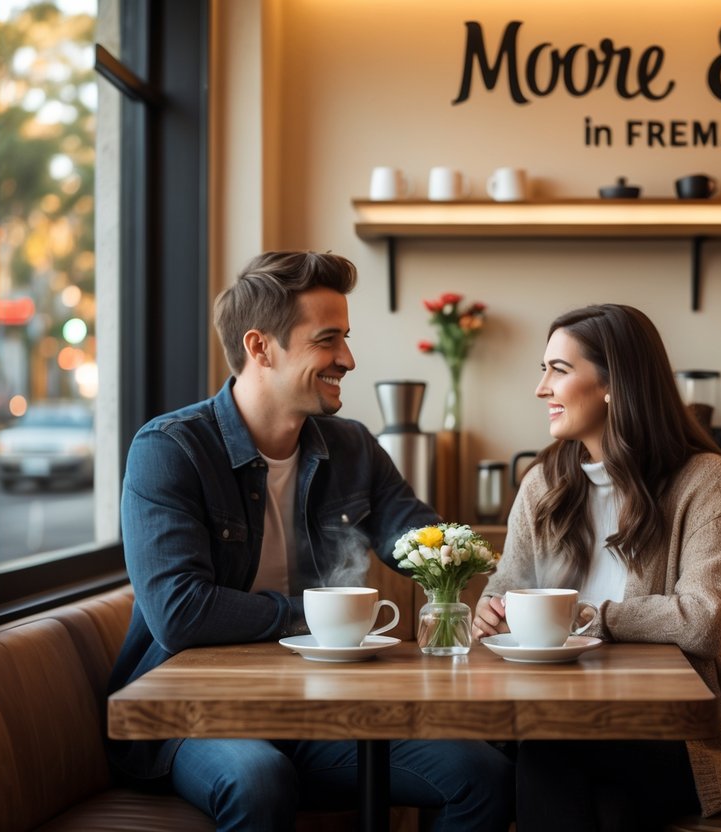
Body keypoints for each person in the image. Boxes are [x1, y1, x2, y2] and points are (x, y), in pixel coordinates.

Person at [106, 251, 513, 831]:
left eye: (345, 338)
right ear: (260, 347)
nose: (347, 358)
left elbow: (421, 539)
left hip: (319, 710)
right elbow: (179, 613)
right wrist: (317, 616)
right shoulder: (171, 449)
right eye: (328, 341)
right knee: (258, 780)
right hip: (196, 718)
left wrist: (512, 542)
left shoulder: (351, 446)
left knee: (482, 774)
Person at [473, 303, 721, 829]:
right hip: (561, 717)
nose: (542, 388)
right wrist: (490, 609)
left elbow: (703, 621)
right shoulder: (543, 484)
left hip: (685, 735)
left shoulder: (705, 480)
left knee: (553, 757)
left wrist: (594, 619)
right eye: (543, 369)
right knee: (532, 767)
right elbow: (508, 586)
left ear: (613, 384)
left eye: (560, 369)